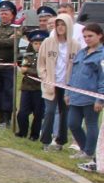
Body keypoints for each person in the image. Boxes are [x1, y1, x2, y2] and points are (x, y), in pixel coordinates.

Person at [64, 22, 104, 164]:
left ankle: (89, 152)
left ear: (99, 36)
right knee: (73, 123)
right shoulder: (81, 52)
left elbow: (102, 78)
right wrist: (67, 92)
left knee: (91, 124)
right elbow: (73, 73)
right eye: (85, 36)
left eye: (90, 36)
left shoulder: (102, 55)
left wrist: (100, 99)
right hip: (76, 95)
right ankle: (84, 148)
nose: (87, 39)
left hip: (92, 97)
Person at [38, 13, 78, 151]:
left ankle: (60, 140)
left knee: (64, 113)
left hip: (66, 85)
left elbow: (77, 66)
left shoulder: (75, 45)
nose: (60, 28)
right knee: (49, 111)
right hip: (51, 84)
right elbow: (41, 63)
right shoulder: (47, 42)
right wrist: (45, 77)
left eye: (63, 25)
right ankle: (45, 140)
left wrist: (72, 84)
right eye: (58, 24)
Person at [0, 0, 21, 126]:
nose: (3, 15)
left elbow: (14, 42)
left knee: (8, 91)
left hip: (9, 65)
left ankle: (7, 117)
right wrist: (5, 41)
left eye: (6, 13)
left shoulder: (16, 29)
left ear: (12, 15)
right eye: (1, 13)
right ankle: (0, 115)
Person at [15, 30, 47, 140]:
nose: (38, 46)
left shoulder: (47, 57)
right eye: (35, 43)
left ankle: (34, 134)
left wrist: (28, 70)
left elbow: (42, 72)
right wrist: (28, 70)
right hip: (27, 87)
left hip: (39, 89)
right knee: (22, 113)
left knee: (38, 114)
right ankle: (22, 131)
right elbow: (23, 69)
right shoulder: (28, 55)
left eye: (40, 43)